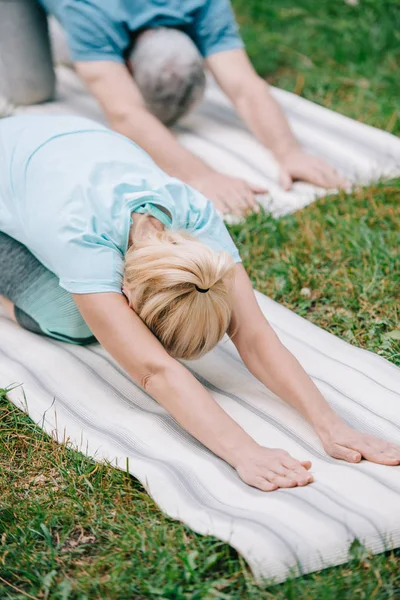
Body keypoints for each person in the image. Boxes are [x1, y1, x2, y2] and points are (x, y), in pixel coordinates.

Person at [1, 115, 398, 493]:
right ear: (125, 292)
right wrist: (243, 451)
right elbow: (155, 371)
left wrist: (332, 425)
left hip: (50, 146)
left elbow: (255, 336)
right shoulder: (83, 241)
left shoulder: (196, 216)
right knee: (71, 318)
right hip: (23, 158)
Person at [24, 0, 345, 215]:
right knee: (28, 90)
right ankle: (71, 41)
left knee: (168, 66)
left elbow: (244, 85)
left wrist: (289, 151)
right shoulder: (89, 7)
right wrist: (201, 176)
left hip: (107, 21)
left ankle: (93, 53)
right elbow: (124, 113)